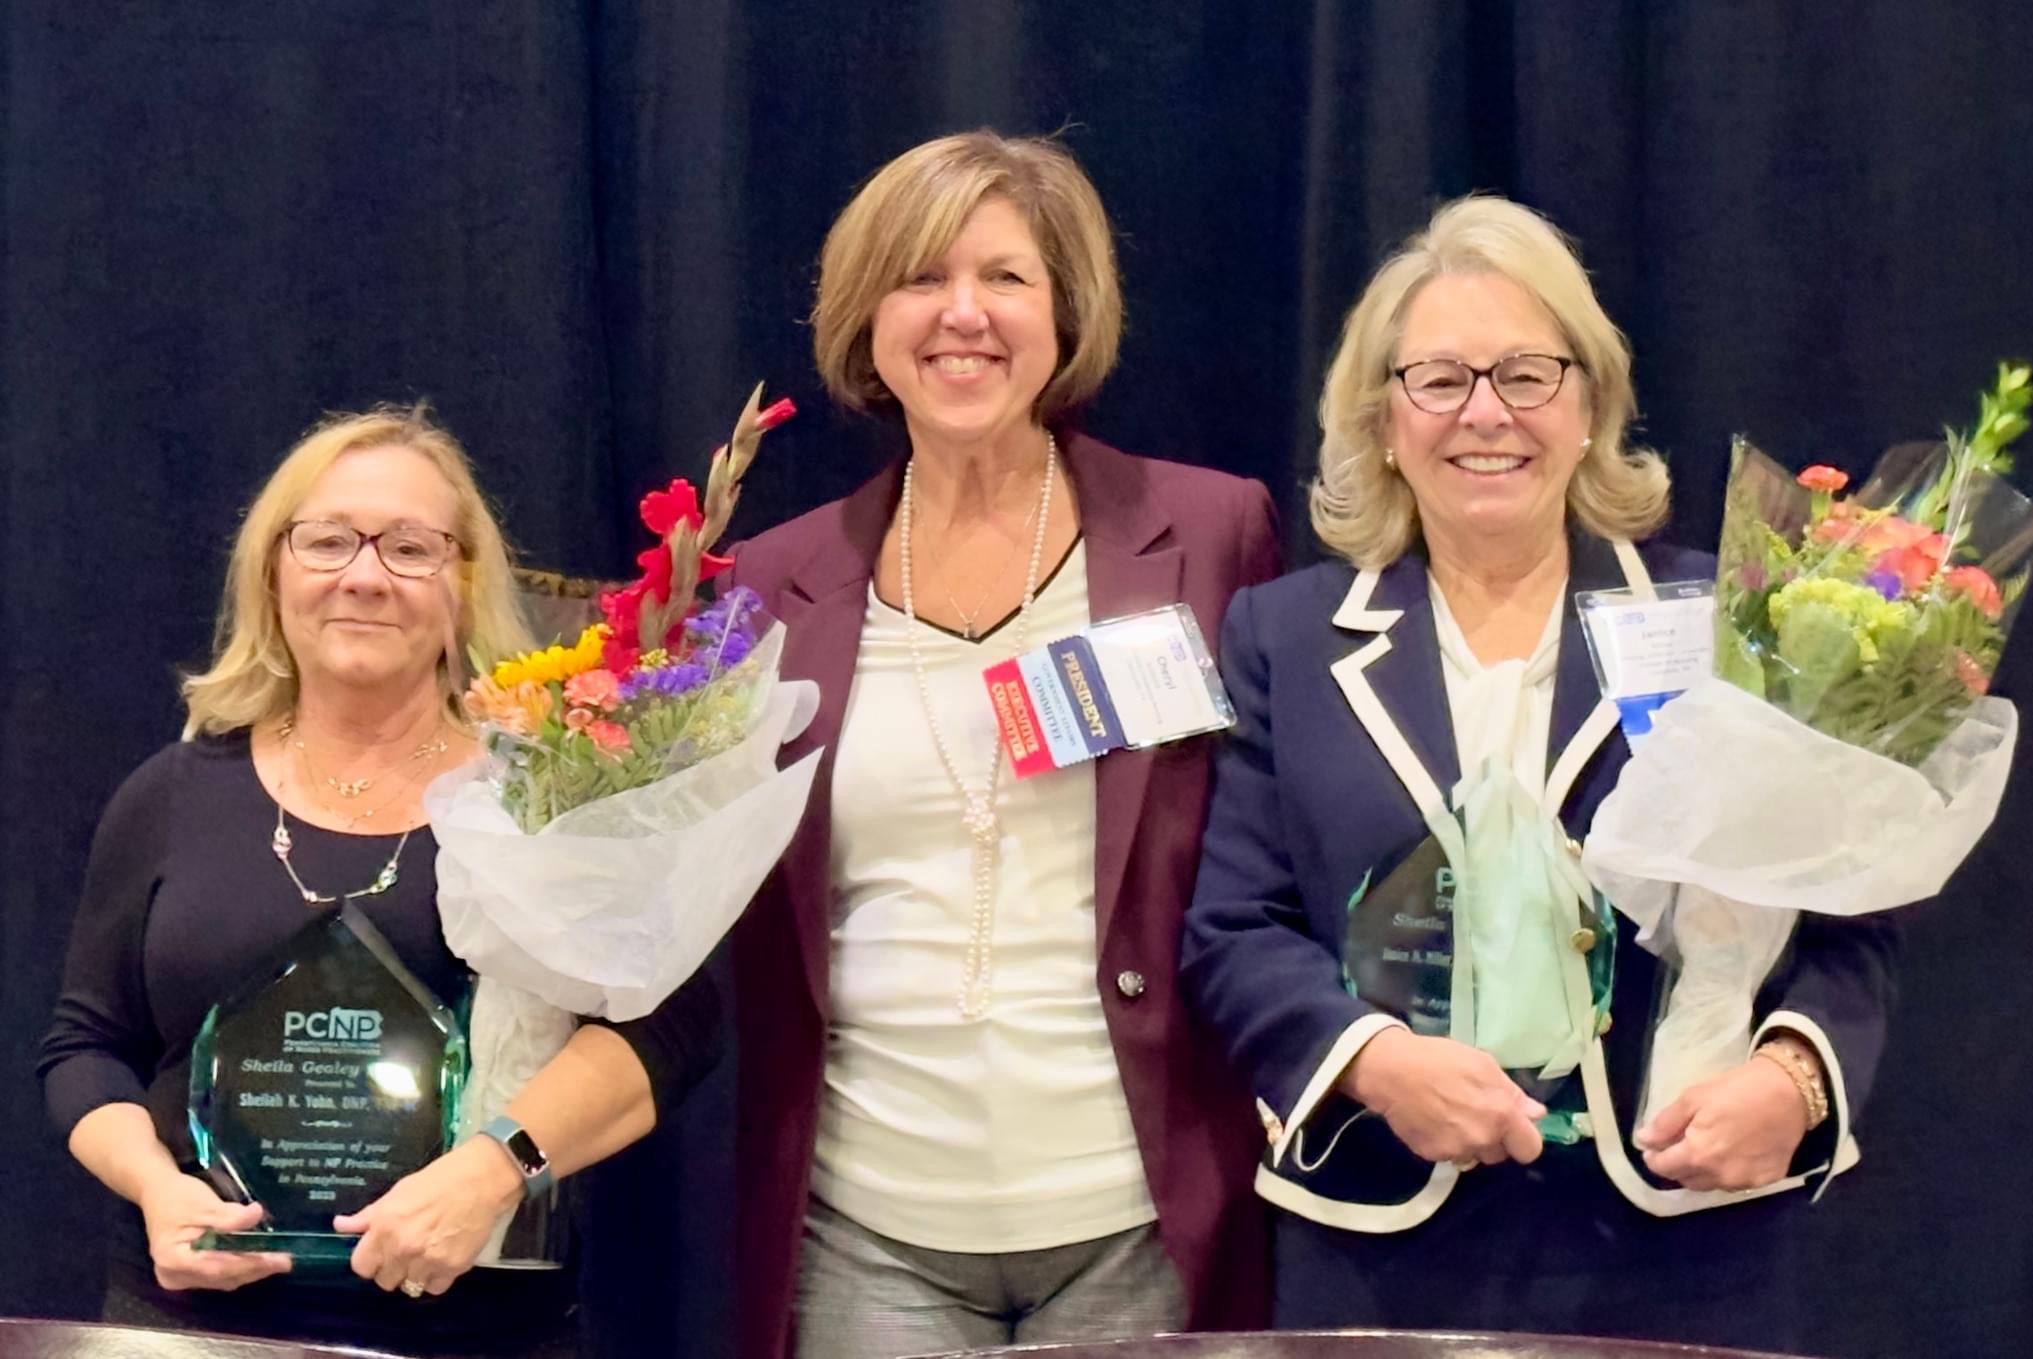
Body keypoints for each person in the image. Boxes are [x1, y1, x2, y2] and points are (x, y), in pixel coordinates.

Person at [1180, 196, 1900, 1349]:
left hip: (1682, 1238)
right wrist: (1370, 1064)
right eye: (1439, 379)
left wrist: (1793, 1083)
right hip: (1379, 1245)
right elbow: (1233, 928)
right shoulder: (1286, 635)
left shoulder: (1729, 617)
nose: (1485, 414)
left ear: (1587, 404)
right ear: (1378, 418)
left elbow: (1845, 917)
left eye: (1526, 373)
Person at [726, 130, 1283, 1358]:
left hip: (1136, 1213)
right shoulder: (773, 587)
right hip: (864, 1223)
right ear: (866, 319)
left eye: (1005, 277)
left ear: (1064, 311)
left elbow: (1273, 853)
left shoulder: (1208, 534)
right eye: (919, 277)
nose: (960, 314)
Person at [38, 405, 721, 1358]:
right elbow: (85, 1045)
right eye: (327, 541)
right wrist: (156, 1187)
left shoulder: (547, 788)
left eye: (409, 547)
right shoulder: (172, 793)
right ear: (273, 571)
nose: (363, 576)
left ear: (463, 584)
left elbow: (674, 1025)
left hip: (477, 1332)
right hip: (192, 1326)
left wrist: (495, 1169)